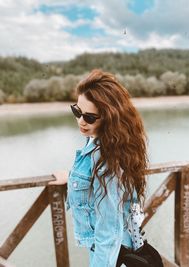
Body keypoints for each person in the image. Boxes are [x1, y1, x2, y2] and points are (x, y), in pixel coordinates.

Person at [50, 69, 148, 267]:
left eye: (90, 117)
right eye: (77, 111)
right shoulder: (100, 142)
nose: (80, 121)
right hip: (112, 248)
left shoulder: (107, 159)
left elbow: (108, 231)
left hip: (111, 252)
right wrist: (71, 178)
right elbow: (95, 187)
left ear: (109, 118)